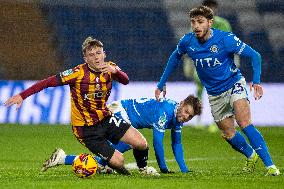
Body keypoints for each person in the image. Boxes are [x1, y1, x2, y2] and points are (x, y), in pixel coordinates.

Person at [154, 6, 280, 176]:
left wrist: (256, 81)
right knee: (228, 133)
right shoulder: (187, 41)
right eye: (193, 22)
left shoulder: (225, 39)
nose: (196, 26)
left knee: (244, 122)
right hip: (214, 93)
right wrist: (161, 82)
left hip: (234, 83)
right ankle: (251, 155)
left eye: (200, 22)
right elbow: (174, 57)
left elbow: (255, 55)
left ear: (210, 22)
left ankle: (270, 166)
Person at [4, 36, 155, 175]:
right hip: (86, 129)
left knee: (141, 143)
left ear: (104, 54)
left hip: (105, 118)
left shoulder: (110, 68)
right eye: (91, 55)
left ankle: (143, 170)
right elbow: (47, 82)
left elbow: (125, 80)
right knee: (119, 161)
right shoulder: (77, 73)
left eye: (98, 53)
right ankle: (76, 161)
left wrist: (116, 71)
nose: (96, 57)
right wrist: (22, 95)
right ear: (85, 59)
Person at [41, 95, 202, 174]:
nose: (186, 117)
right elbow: (158, 143)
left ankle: (63, 158)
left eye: (190, 116)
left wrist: (184, 170)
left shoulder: (178, 117)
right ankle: (143, 169)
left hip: (123, 112)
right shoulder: (165, 111)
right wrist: (164, 169)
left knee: (110, 157)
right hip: (120, 110)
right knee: (133, 143)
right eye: (187, 112)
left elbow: (177, 144)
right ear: (181, 104)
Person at [183, 0, 235, 132]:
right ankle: (198, 121)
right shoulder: (196, 24)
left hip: (219, 65)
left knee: (218, 93)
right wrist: (189, 60)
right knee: (199, 91)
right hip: (201, 64)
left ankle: (216, 122)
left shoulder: (223, 24)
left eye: (211, 8)